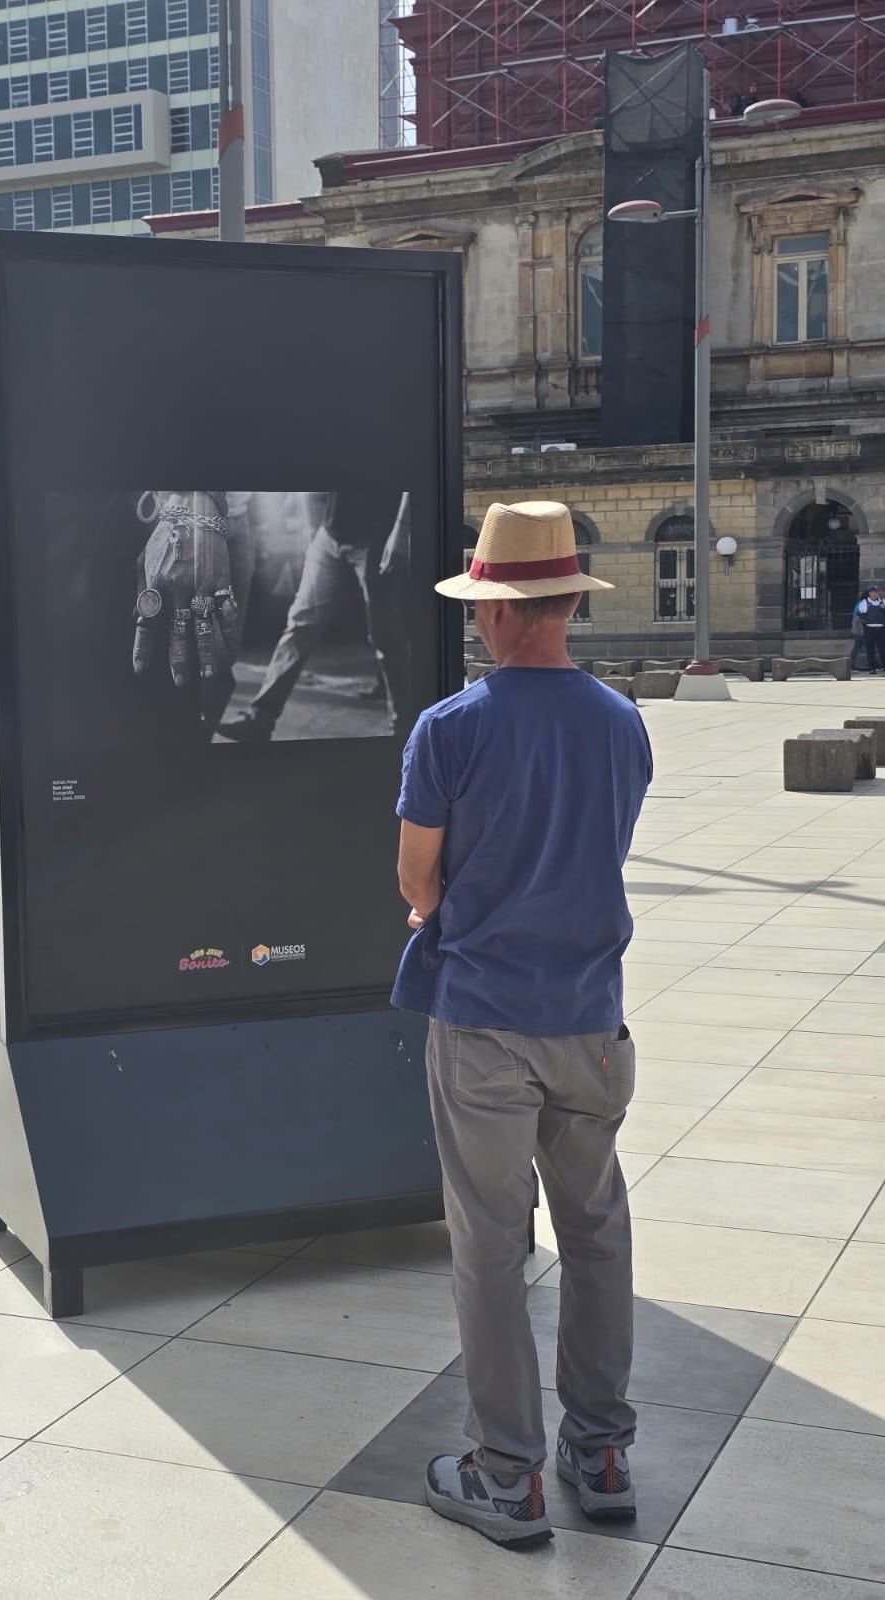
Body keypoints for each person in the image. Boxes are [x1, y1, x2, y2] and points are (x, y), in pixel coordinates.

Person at [393, 500, 652, 1551]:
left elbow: (417, 876)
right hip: (591, 1021)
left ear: (498, 611)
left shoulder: (451, 727)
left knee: (491, 1247)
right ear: (567, 604)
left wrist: (445, 899)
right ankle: (600, 1450)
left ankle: (509, 1473)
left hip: (485, 1022)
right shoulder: (623, 721)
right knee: (597, 1232)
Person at [218, 490, 410, 741]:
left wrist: (402, 530)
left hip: (377, 538)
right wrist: (312, 529)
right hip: (329, 535)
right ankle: (260, 719)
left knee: (385, 637)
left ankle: (405, 730)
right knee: (299, 625)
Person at [856, 586, 885, 674]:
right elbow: (860, 616)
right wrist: (861, 628)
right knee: (870, 649)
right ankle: (872, 668)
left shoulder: (883, 602)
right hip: (869, 629)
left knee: (882, 649)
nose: (875, 594)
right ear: (870, 593)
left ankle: (884, 666)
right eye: (873, 592)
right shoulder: (864, 603)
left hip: (881, 628)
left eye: (876, 592)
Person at [849, 594, 867, 672]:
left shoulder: (859, 603)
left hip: (857, 629)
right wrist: (862, 629)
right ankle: (850, 664)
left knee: (858, 647)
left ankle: (850, 664)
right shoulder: (862, 604)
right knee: (857, 647)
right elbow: (858, 618)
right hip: (859, 629)